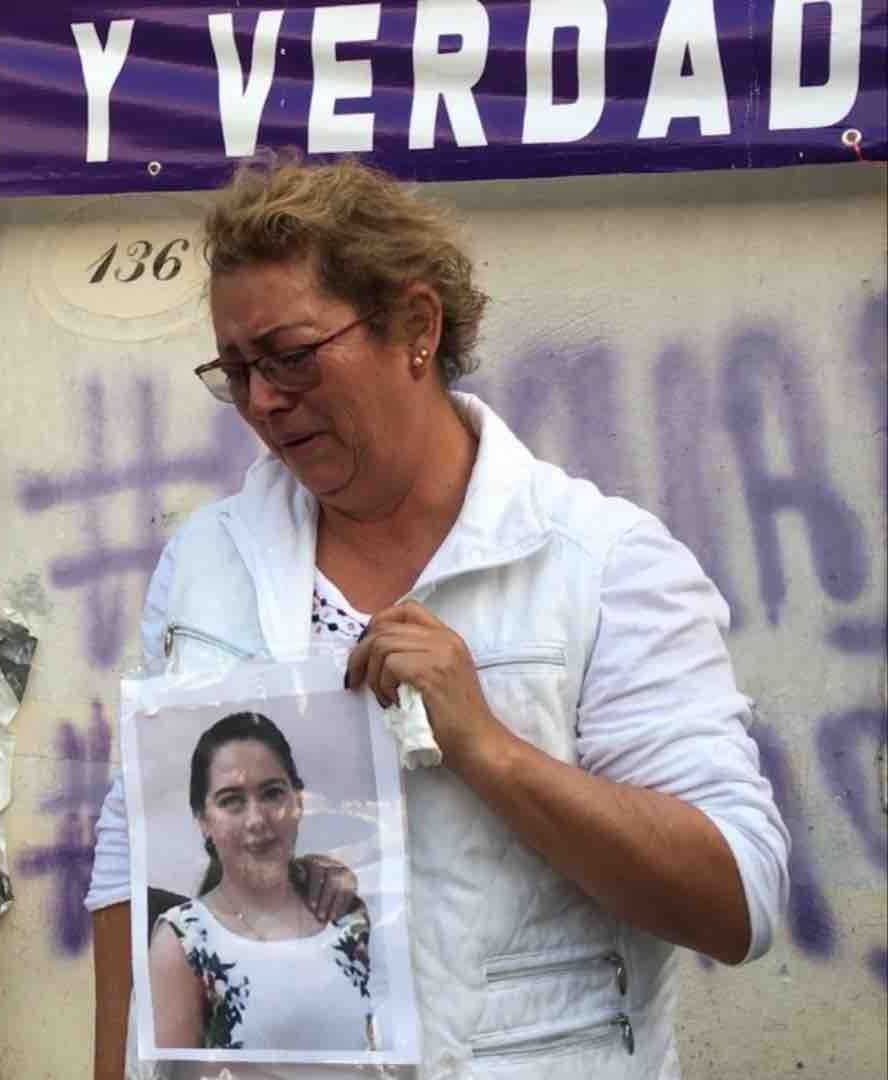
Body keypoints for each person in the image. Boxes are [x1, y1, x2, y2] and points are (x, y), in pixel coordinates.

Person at [88, 156, 789, 1077]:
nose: (261, 401)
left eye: (292, 356)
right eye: (237, 369)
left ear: (415, 327)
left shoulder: (599, 563)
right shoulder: (205, 560)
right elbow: (130, 851)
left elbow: (740, 900)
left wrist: (488, 749)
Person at [149, 712, 373, 1053]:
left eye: (271, 794)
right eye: (231, 801)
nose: (256, 820)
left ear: (298, 801)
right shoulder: (181, 942)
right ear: (203, 821)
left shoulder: (351, 914)